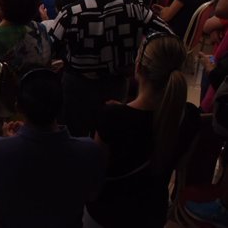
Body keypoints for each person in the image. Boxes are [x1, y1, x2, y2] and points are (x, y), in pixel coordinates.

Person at [50, 0, 172, 137]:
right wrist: (140, 57)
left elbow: (49, 47)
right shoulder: (134, 6)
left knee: (76, 135)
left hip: (78, 87)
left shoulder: (70, 12)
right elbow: (167, 34)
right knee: (110, 135)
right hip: (116, 84)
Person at [85, 33, 200, 227]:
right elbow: (181, 165)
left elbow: (94, 181)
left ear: (138, 68)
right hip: (152, 214)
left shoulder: (111, 118)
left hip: (107, 216)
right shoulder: (190, 116)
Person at [0, 69, 104, 228]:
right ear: (61, 106)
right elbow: (92, 196)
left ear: (18, 107)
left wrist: (7, 145)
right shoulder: (89, 150)